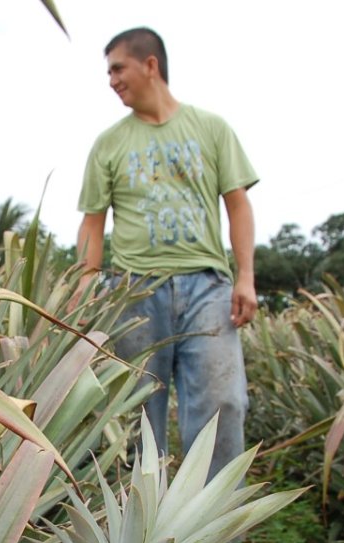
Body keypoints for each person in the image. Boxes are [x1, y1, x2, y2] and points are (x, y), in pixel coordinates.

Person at [73, 26, 259, 479]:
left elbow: (238, 205)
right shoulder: (109, 143)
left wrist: (246, 276)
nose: (111, 80)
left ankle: (210, 528)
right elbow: (93, 224)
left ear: (150, 65)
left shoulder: (211, 129)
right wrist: (82, 291)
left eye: (118, 68)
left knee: (223, 403)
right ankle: (141, 532)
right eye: (109, 72)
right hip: (134, 292)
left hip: (207, 289)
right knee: (136, 413)